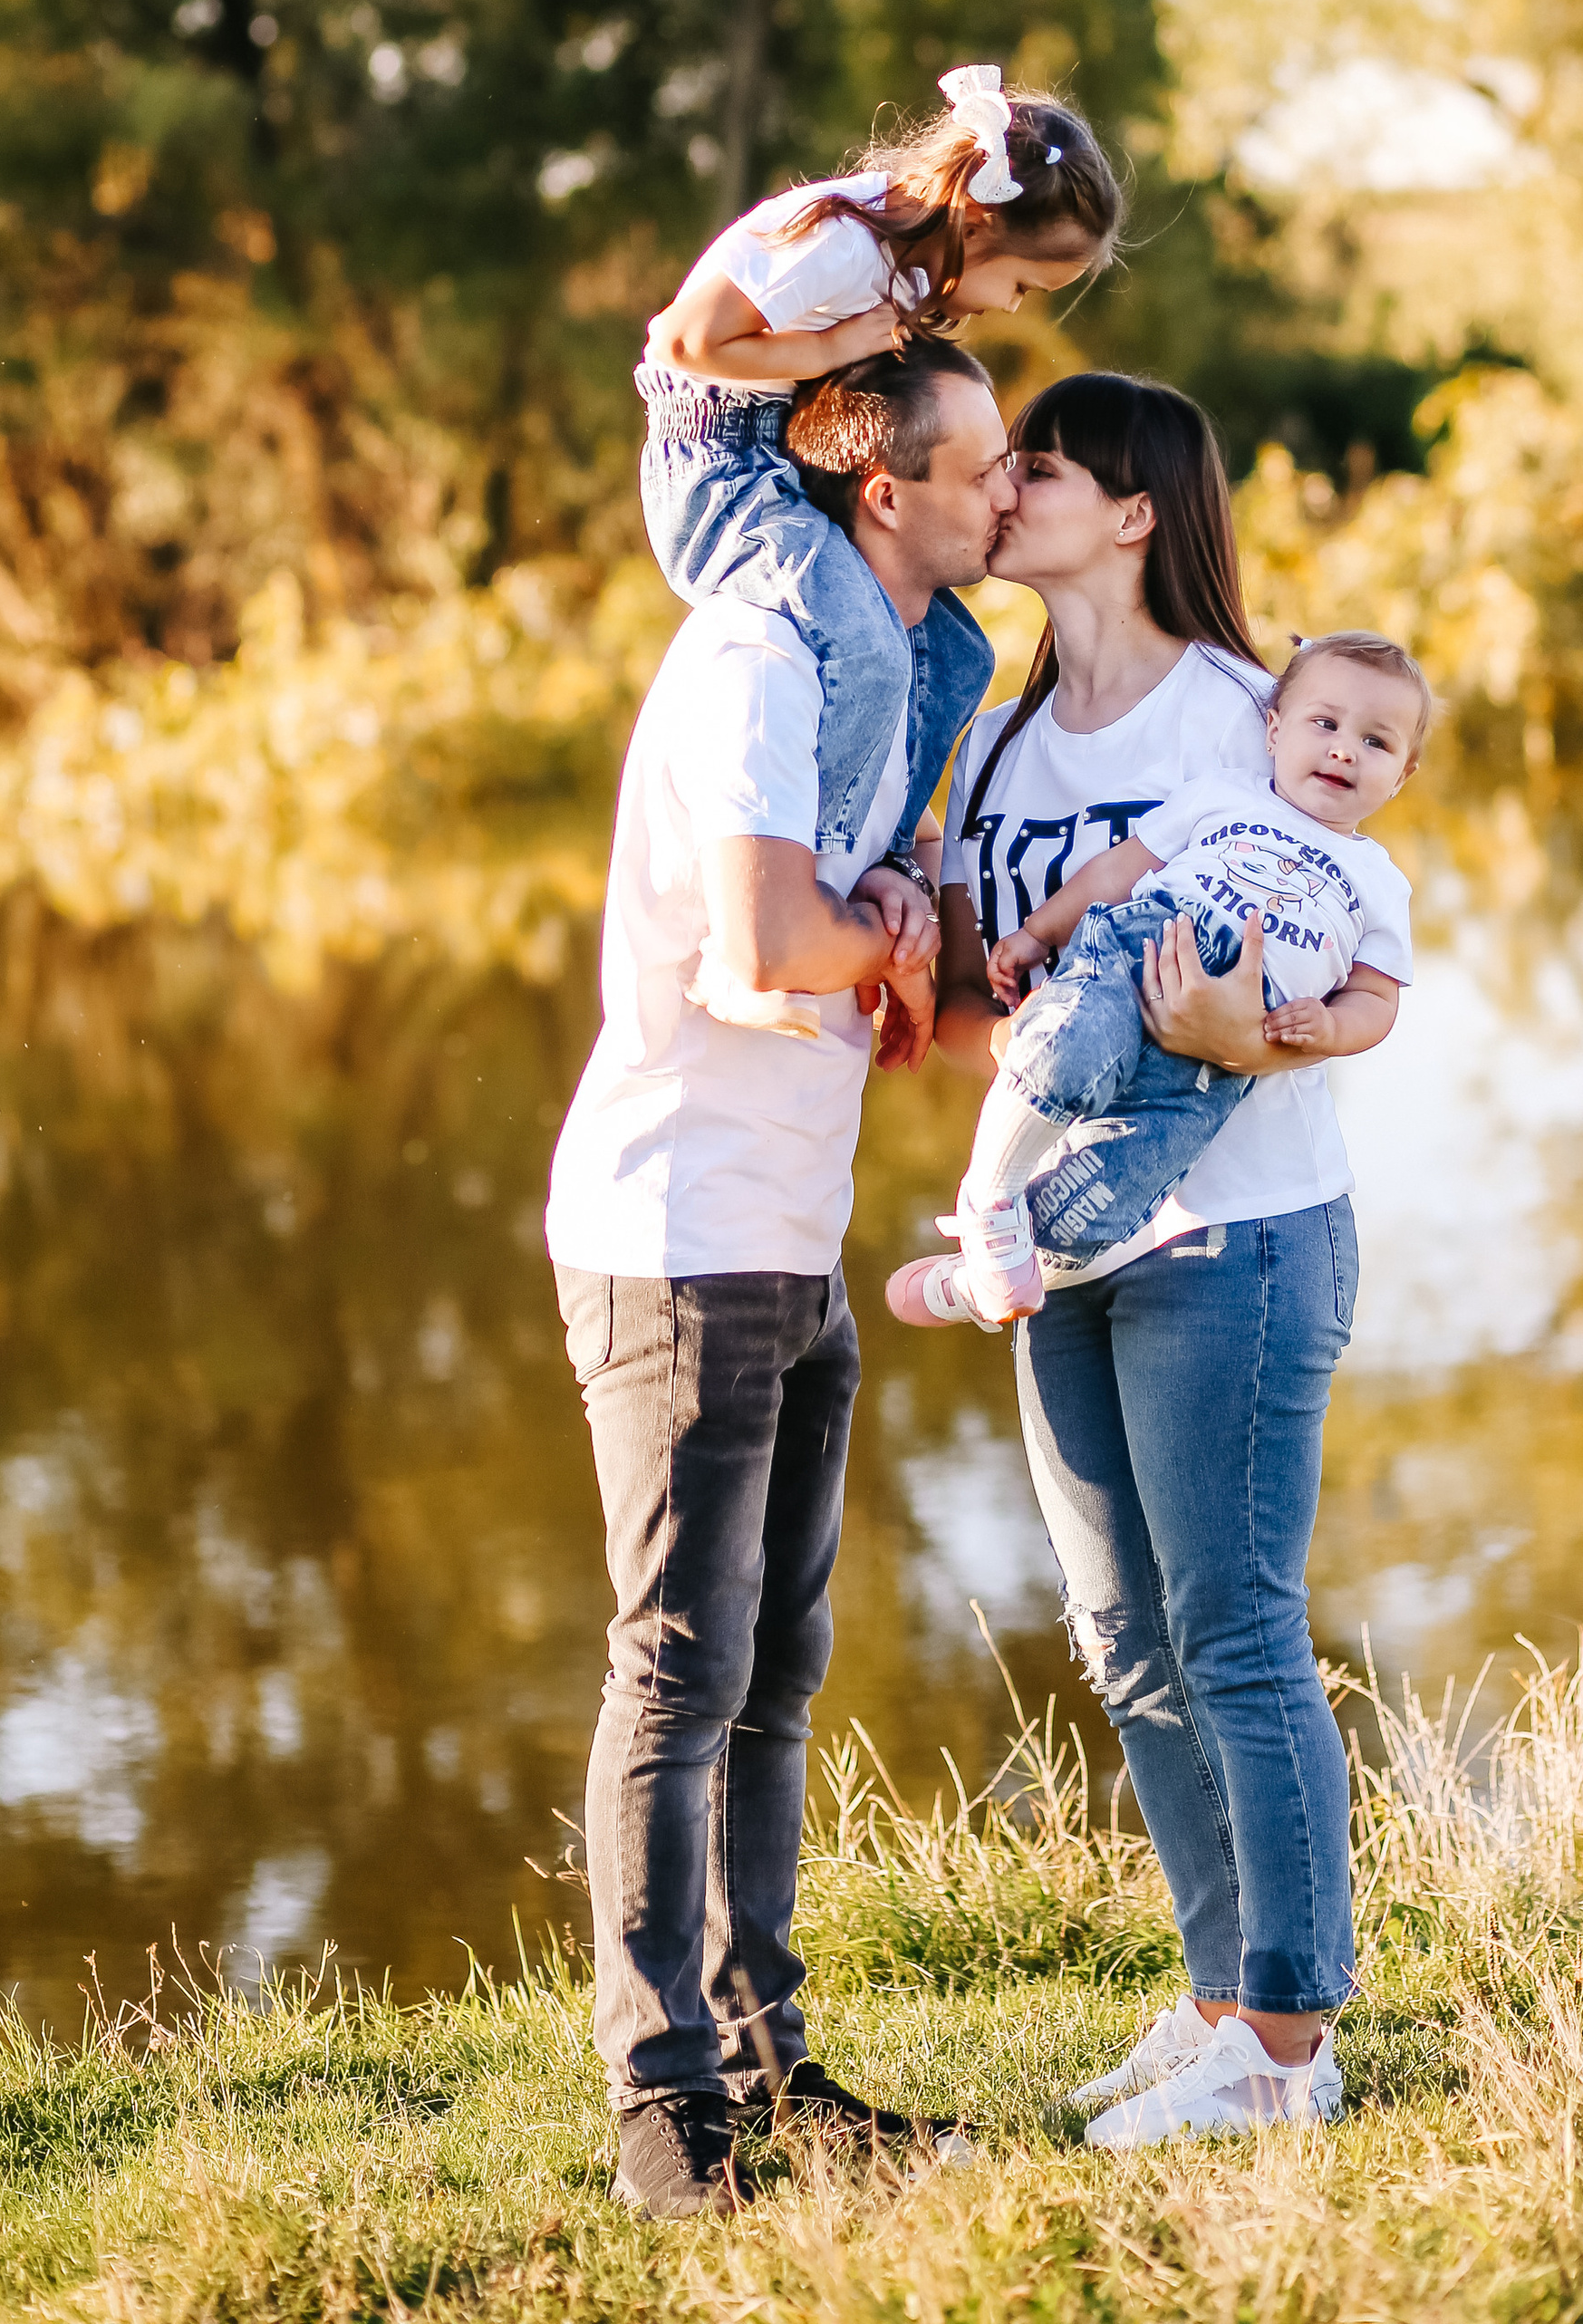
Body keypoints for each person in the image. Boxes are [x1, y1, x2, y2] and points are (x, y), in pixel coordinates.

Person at [545, 338, 1014, 2219]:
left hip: (784, 1231)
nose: (1005, 489)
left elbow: (881, 985)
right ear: (883, 489)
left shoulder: (876, 680)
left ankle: (768, 2071)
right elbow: (764, 935)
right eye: (977, 464)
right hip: (673, 1237)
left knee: (770, 1677)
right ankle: (668, 2120)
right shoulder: (754, 654)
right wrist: (876, 929)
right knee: (676, 1676)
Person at [930, 372, 1381, 2145]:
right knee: (1125, 1639)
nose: (998, 481)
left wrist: (1225, 1028)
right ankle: (1214, 2008)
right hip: (1068, 1246)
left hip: (1240, 1243)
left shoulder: (1247, 724)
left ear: (1127, 514)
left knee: (1236, 1636)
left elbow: (1350, 989)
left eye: (1032, 464)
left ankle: (1284, 2050)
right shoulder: (994, 744)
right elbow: (1001, 987)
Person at [642, 63, 1120, 863]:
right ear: (979, 226)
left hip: (779, 445)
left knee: (960, 655)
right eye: (1025, 287)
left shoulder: (905, 260)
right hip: (717, 464)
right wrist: (832, 347)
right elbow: (680, 341)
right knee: (862, 642)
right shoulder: (844, 242)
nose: (1009, 307)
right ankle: (823, 864)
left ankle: (888, 846)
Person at [891, 635, 1426, 1328]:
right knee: (1061, 1051)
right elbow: (1118, 871)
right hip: (1143, 947)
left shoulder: (1381, 884)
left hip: (1213, 1065)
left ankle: (980, 1275)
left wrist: (1328, 1026)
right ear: (1275, 729)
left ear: (1403, 773)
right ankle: (989, 1193)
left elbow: (1376, 1001)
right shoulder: (1227, 795)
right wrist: (1036, 934)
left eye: (1375, 743)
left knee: (1123, 1180)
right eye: (1324, 724)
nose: (1344, 750)